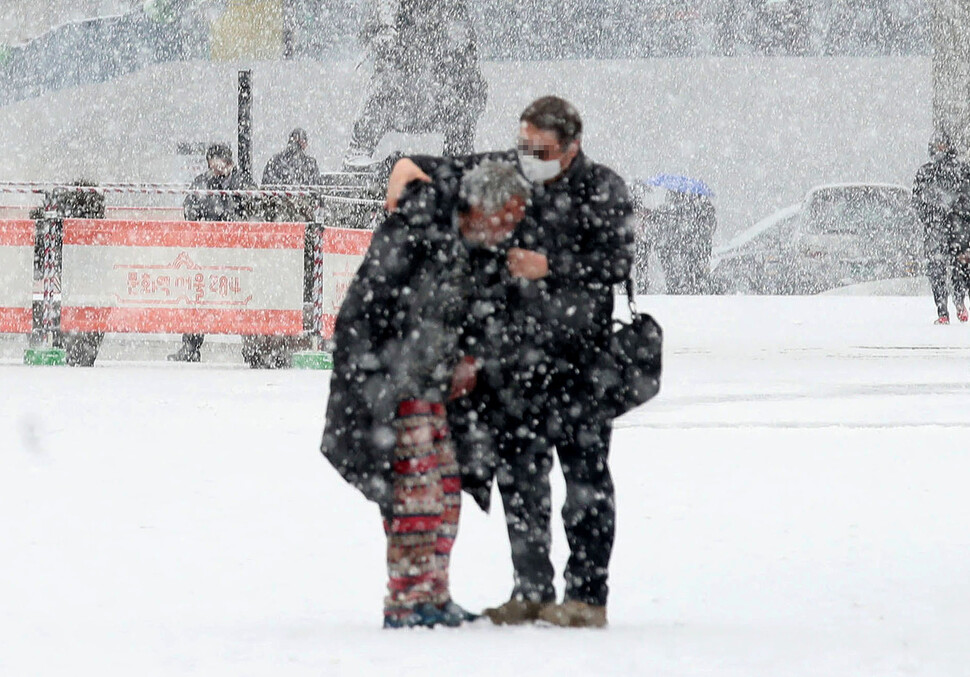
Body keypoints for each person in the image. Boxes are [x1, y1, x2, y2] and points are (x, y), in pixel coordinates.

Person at [386, 96, 635, 628]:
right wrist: (409, 166)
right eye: (524, 146)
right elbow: (451, 169)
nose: (530, 157)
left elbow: (616, 261)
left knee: (585, 481)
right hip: (515, 363)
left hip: (580, 363)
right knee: (520, 481)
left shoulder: (603, 188)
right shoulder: (509, 173)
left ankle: (588, 596)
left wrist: (553, 266)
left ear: (571, 147)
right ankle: (531, 589)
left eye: (541, 150)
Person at [320, 160, 531, 629]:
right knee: (416, 496)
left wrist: (470, 357)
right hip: (395, 385)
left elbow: (481, 310)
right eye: (505, 219)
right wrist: (381, 381)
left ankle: (433, 592)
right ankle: (405, 600)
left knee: (448, 492)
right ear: (479, 208)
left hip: (434, 384)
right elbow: (365, 310)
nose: (508, 231)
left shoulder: (474, 243)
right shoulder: (416, 230)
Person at [343, 0, 488, 168]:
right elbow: (380, 23)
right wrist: (387, 37)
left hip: (436, 88)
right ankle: (360, 155)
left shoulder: (452, 12)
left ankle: (457, 156)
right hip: (403, 83)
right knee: (383, 92)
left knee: (467, 90)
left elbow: (465, 45)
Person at [168, 142, 255, 363]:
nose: (216, 168)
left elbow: (254, 210)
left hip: (237, 254)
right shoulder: (201, 183)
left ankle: (253, 346)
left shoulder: (243, 183)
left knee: (244, 299)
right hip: (207, 252)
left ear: (229, 162)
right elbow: (189, 209)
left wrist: (230, 221)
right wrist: (205, 223)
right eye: (212, 163)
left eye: (220, 163)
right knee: (199, 298)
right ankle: (191, 346)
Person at [912, 132, 970, 324]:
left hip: (946, 226)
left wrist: (931, 217)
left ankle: (949, 309)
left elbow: (918, 202)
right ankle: (952, 307)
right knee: (954, 266)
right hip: (954, 226)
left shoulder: (927, 172)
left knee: (946, 267)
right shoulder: (961, 171)